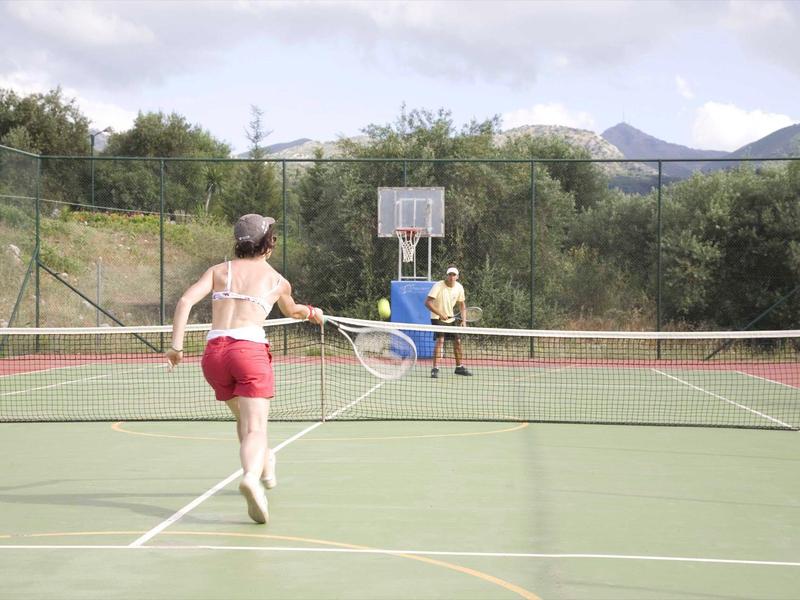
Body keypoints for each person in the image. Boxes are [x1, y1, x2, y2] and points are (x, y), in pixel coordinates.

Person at [166, 214, 324, 525]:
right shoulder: (277, 281)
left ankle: (264, 460)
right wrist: (312, 312)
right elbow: (292, 310)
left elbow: (185, 301)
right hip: (248, 352)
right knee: (255, 428)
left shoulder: (218, 271)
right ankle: (251, 477)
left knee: (243, 420)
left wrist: (176, 347)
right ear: (270, 243)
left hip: (214, 356)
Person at [424, 265, 473, 379]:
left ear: (457, 277)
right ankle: (435, 369)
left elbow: (462, 305)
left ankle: (459, 367)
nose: (451, 277)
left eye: (454, 275)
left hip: (451, 319)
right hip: (437, 317)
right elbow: (428, 302)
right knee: (440, 340)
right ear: (447, 275)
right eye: (449, 274)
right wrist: (440, 313)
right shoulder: (438, 286)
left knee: (457, 341)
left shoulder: (459, 287)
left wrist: (464, 320)